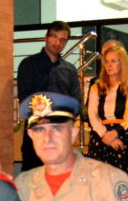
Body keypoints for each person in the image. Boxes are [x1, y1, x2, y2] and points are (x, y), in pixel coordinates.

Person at [17, 21, 82, 171]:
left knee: (62, 182)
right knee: (32, 184)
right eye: (54, 36)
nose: (58, 42)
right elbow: (25, 99)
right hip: (36, 134)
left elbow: (76, 102)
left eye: (63, 39)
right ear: (46, 38)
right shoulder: (28, 64)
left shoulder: (70, 70)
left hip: (61, 135)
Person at [85, 40, 128, 189]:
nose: (109, 65)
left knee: (122, 183)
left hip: (123, 137)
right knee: (98, 184)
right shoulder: (97, 87)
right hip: (100, 137)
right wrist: (105, 135)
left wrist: (116, 133)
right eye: (107, 61)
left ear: (122, 63)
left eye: (114, 61)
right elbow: (92, 114)